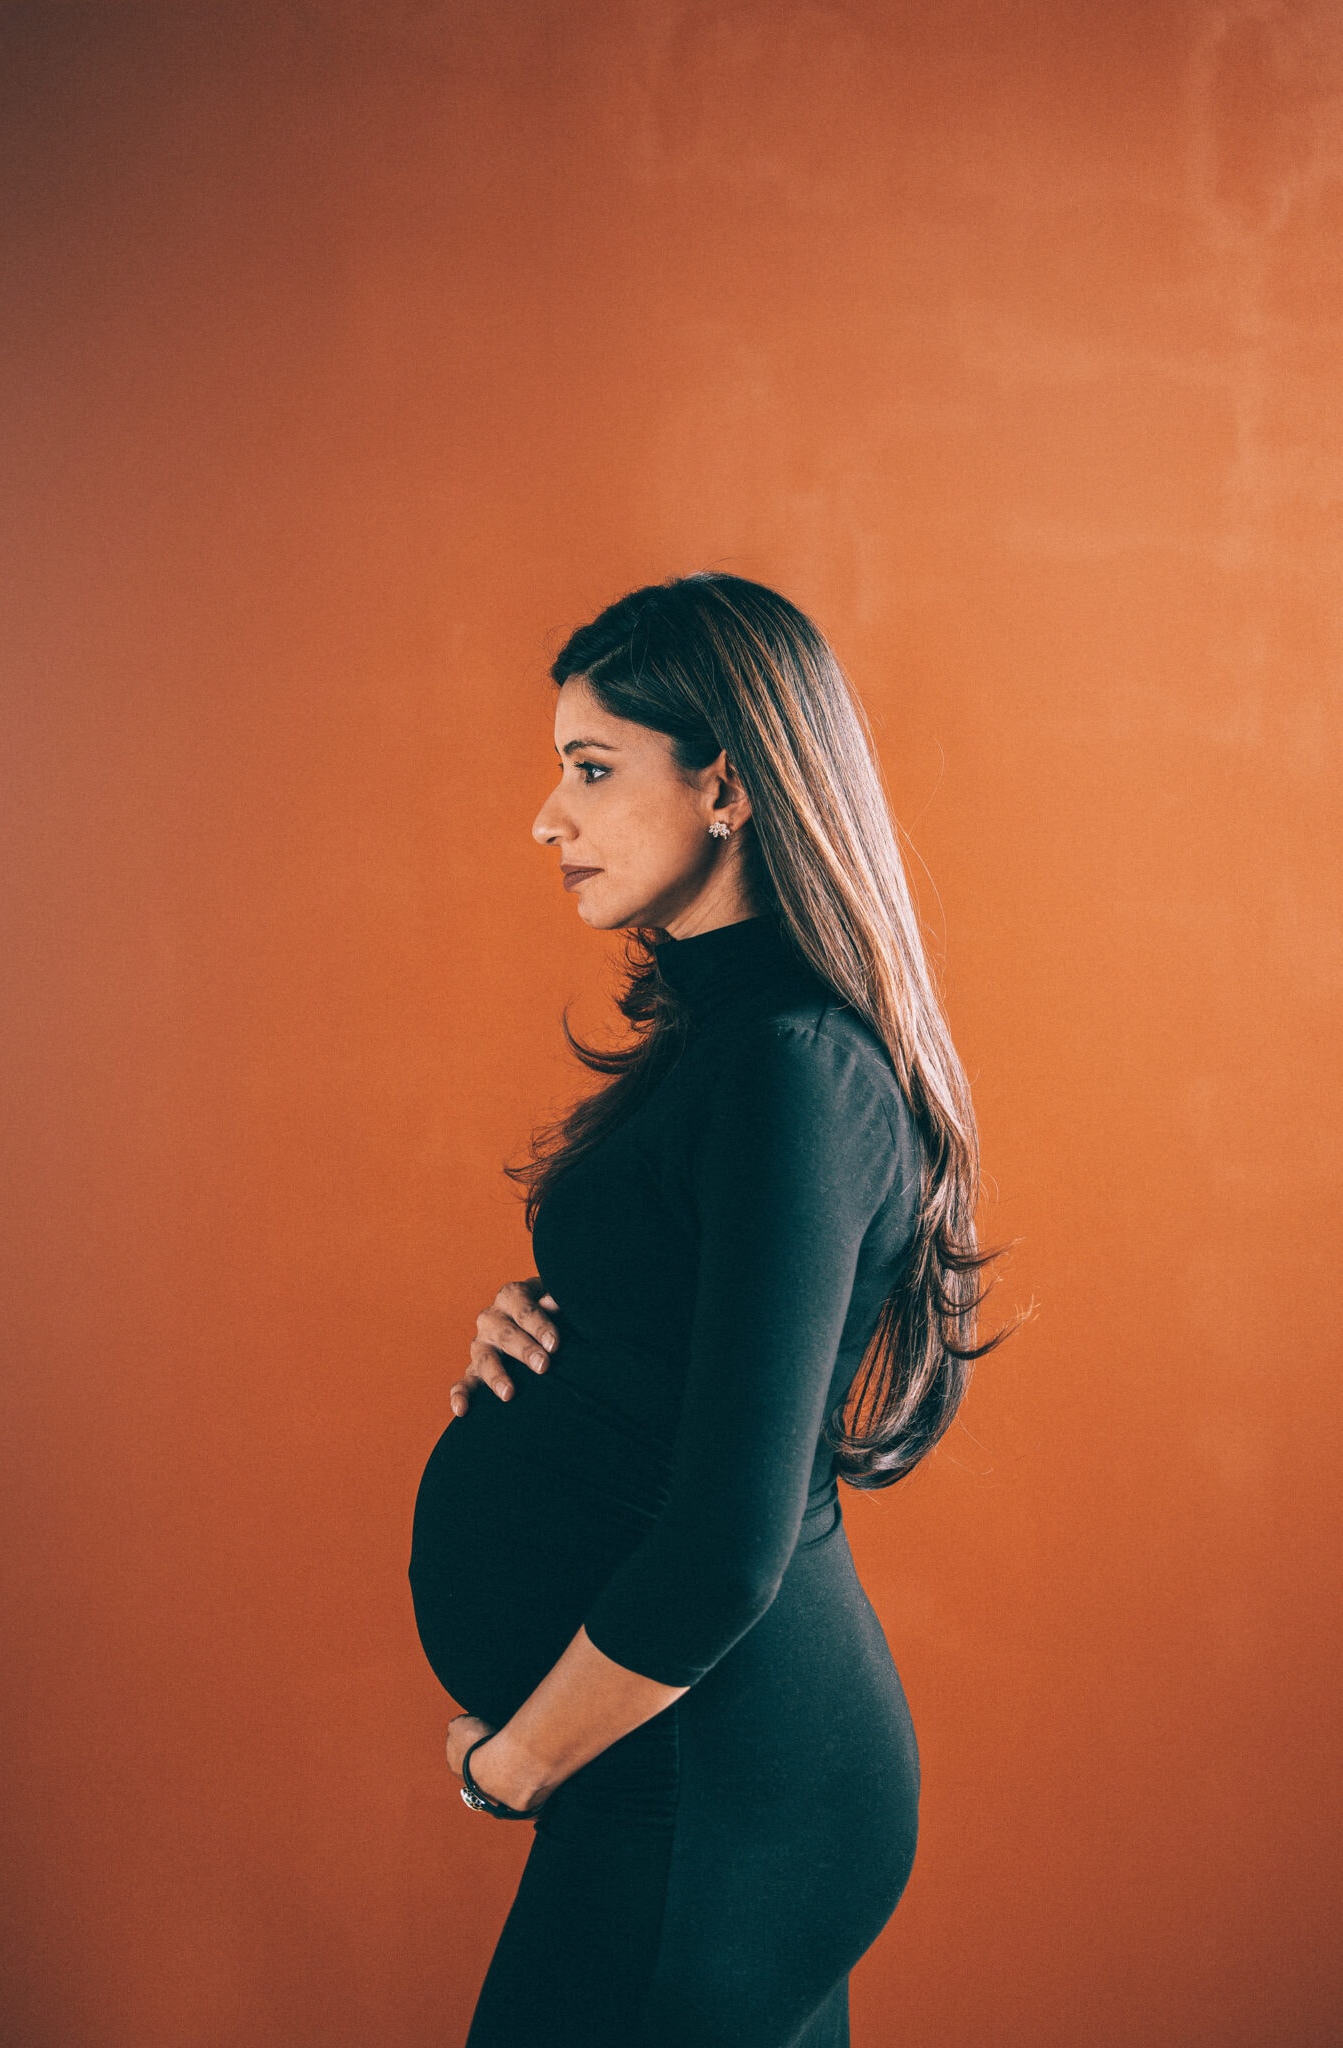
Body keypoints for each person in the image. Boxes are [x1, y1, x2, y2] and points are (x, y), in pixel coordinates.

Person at [408, 572, 1021, 2047]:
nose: (548, 818)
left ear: (730, 785)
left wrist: (512, 1767)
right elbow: (679, 1353)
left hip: (709, 1784)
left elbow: (728, 1543)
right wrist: (539, 1363)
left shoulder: (788, 1067)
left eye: (592, 767)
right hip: (683, 1771)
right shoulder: (730, 1046)